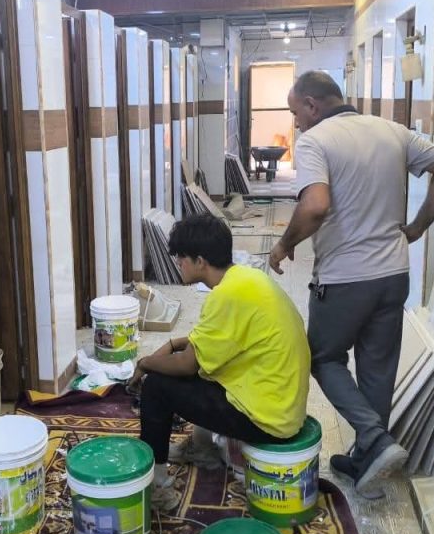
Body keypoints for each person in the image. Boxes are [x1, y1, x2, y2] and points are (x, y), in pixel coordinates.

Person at [268, 71, 434, 499]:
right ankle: (364, 463)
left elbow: (315, 206)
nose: (296, 122)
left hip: (344, 277)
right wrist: (417, 227)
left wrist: (284, 244)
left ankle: (373, 438)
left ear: (312, 105)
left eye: (296, 112)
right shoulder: (392, 131)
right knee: (377, 368)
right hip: (393, 274)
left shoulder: (315, 141)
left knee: (324, 358)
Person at [130, 213, 311, 510]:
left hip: (267, 420)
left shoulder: (226, 296)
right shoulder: (246, 279)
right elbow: (210, 341)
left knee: (157, 386)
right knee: (207, 365)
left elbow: (187, 365)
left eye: (181, 258)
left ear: (200, 261)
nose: (178, 264)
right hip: (283, 408)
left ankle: (157, 487)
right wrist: (174, 343)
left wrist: (145, 363)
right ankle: (203, 450)